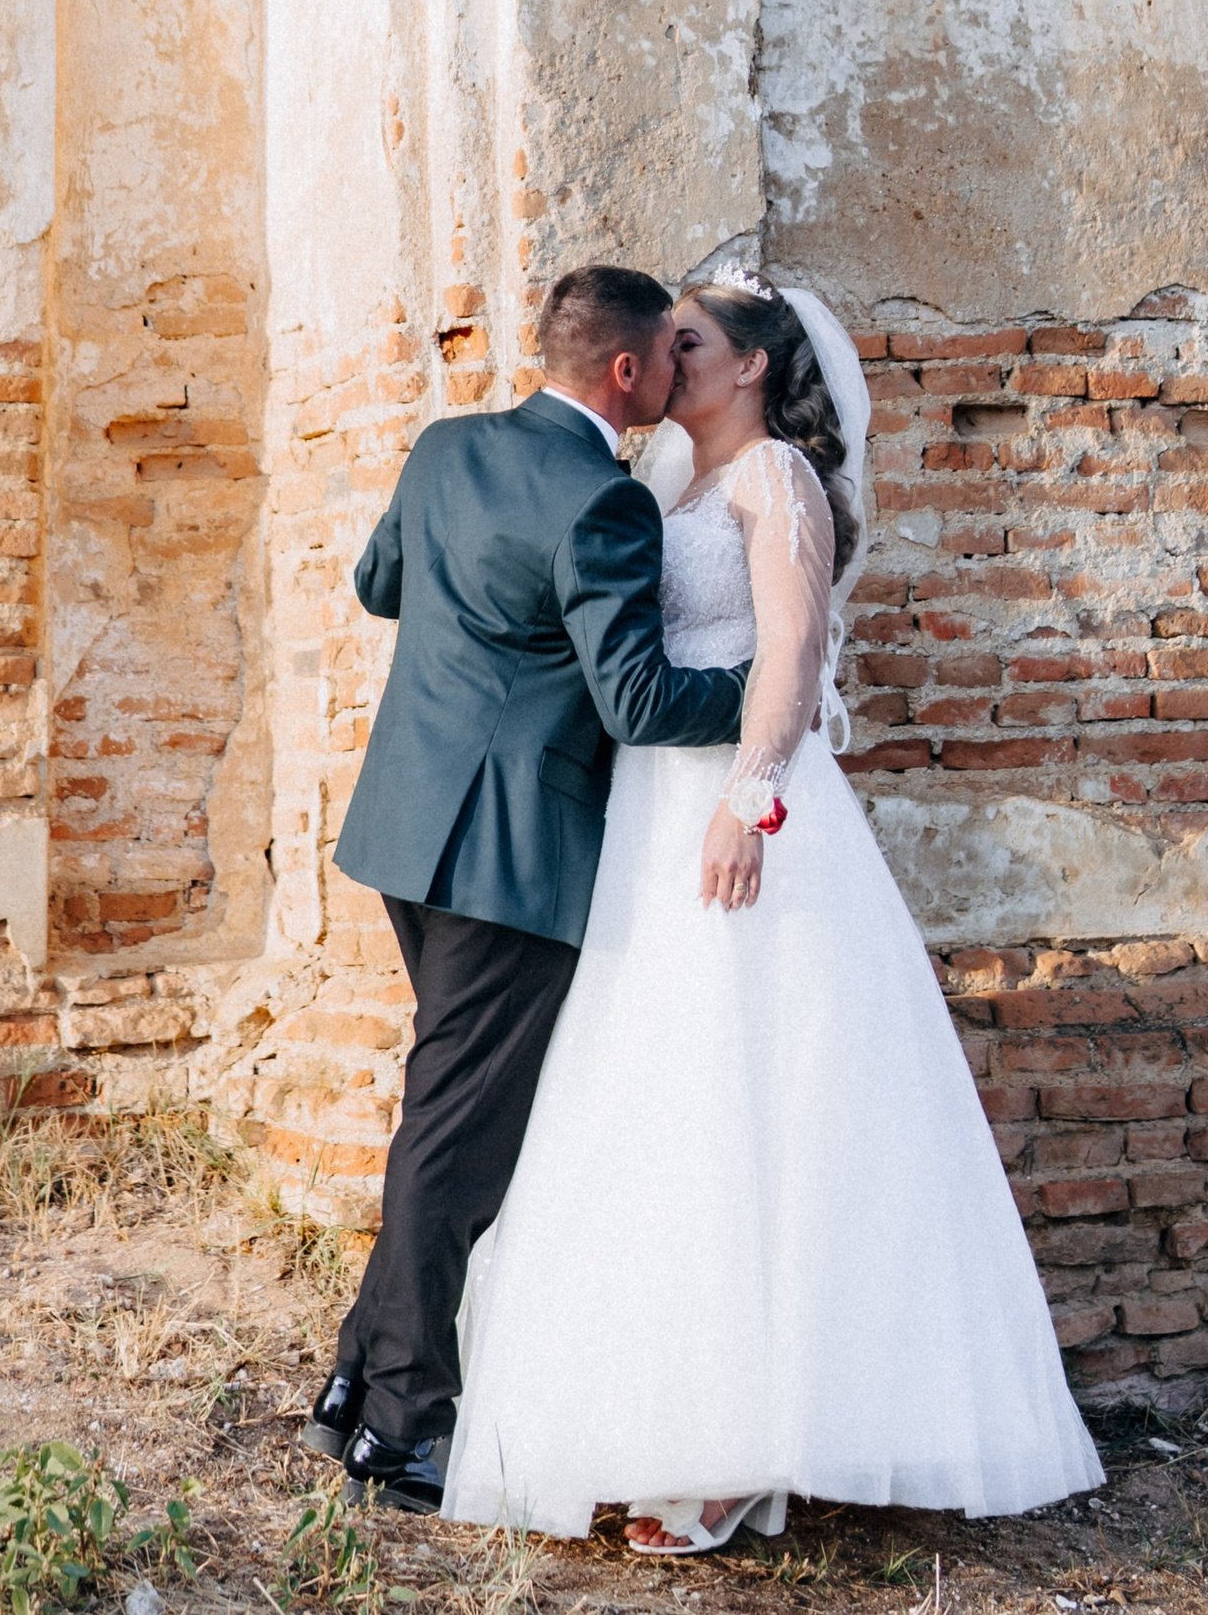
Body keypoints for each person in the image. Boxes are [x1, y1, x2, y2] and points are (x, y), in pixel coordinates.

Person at [439, 266, 1104, 1551]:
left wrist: (752, 803)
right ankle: (652, 1415)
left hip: (741, 820)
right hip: (642, 819)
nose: (661, 354)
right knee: (648, 1099)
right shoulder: (654, 485)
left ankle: (737, 1452)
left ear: (748, 363)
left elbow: (792, 652)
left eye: (686, 339)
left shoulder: (773, 481)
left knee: (751, 1103)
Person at [308, 264, 751, 1513]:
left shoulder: (444, 447)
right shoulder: (605, 503)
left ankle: (353, 1376)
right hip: (507, 855)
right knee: (459, 1135)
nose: (678, 369)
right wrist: (769, 685)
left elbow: (380, 583)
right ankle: (400, 1420)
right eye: (667, 352)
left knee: (444, 1109)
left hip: (406, 828)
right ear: (627, 373)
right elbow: (643, 702)